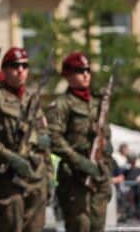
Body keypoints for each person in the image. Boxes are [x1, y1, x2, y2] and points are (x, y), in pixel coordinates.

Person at [0, 47, 50, 232]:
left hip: (36, 178)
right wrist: (11, 157)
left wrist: (49, 177)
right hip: (10, 181)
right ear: (4, 70)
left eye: (24, 66)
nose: (20, 70)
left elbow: (44, 140)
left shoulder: (32, 99)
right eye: (14, 66)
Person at [47, 52, 114, 232]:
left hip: (98, 176)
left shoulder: (97, 103)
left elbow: (105, 135)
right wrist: (80, 161)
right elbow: (54, 139)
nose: (85, 75)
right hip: (75, 179)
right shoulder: (62, 104)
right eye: (79, 71)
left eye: (87, 70)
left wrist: (107, 151)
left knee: (98, 226)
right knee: (80, 226)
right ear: (68, 76)